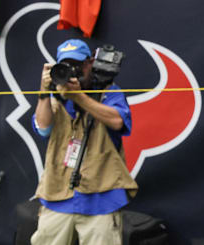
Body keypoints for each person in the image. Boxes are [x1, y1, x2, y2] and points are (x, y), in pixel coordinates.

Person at [31, 39, 137, 245]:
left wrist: (78, 97)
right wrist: (44, 91)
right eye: (67, 65)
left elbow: (117, 121)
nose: (73, 70)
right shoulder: (55, 94)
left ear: (90, 63)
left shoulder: (108, 91)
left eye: (78, 64)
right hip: (57, 195)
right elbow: (43, 128)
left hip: (101, 196)